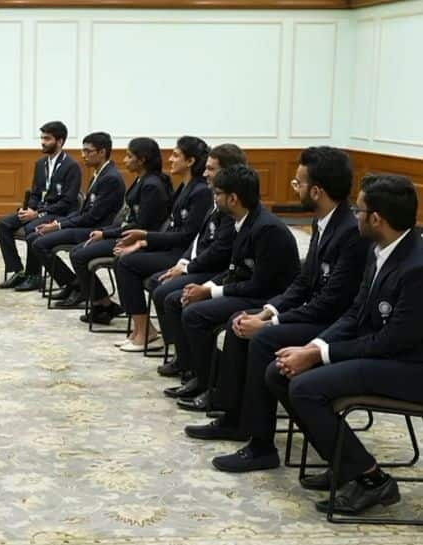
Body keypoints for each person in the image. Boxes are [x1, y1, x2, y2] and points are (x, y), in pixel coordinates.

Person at [221, 175, 423, 516]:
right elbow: (356, 312)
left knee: (304, 387)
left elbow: (393, 340)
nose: (354, 214)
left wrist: (317, 354)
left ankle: (372, 480)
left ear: (377, 219)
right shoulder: (381, 251)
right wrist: (314, 346)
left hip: (410, 367)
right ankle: (345, 463)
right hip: (382, 353)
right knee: (278, 373)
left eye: (360, 209)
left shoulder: (416, 267)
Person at [187, 147, 365, 445]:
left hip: (337, 325)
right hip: (318, 314)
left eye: (298, 183)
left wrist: (271, 324)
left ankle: (260, 443)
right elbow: (302, 283)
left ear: (317, 190)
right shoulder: (324, 223)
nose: (295, 189)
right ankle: (233, 416)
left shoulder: (350, 232)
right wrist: (266, 312)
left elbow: (331, 302)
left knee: (263, 339)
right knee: (240, 321)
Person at [170, 164, 300, 411]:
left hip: (267, 298)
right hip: (250, 290)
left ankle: (215, 387)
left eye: (218, 193)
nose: (214, 197)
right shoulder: (243, 221)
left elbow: (259, 284)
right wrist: (206, 287)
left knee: (195, 314)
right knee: (186, 302)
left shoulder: (266, 229)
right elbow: (234, 270)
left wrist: (210, 292)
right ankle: (206, 378)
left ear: (233, 198)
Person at [153, 144, 246, 378]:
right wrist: (182, 264)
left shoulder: (232, 208)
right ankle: (183, 355)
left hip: (215, 270)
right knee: (160, 285)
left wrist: (186, 269)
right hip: (200, 264)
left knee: (170, 295)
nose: (205, 174)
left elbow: (220, 251)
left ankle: (192, 363)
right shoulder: (216, 201)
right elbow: (197, 239)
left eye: (211, 169)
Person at [112, 136, 213, 351]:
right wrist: (143, 244)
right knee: (124, 259)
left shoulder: (201, 191)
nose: (170, 159)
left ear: (191, 161)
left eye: (176, 155)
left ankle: (146, 331)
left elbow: (187, 235)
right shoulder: (185, 186)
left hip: (182, 254)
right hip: (171, 247)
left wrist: (145, 237)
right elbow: (171, 226)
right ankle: (141, 329)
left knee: (127, 264)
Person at [64, 137, 173, 324]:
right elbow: (127, 218)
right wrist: (106, 231)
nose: (125, 160)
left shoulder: (152, 185)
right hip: (126, 233)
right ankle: (103, 304)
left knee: (79, 255)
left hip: (137, 240)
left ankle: (103, 304)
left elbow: (142, 225)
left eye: (129, 156)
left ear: (143, 159)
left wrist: (106, 234)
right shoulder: (142, 180)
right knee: (77, 251)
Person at [30, 131, 125, 299]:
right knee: (37, 238)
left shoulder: (111, 178)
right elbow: (83, 212)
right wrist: (59, 223)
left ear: (102, 152)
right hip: (86, 224)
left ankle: (76, 286)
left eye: (88, 151)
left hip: (96, 229)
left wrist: (59, 225)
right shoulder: (100, 173)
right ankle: (74, 284)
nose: (83, 155)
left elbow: (92, 217)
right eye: (83, 151)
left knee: (40, 243)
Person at [0, 121, 82, 290]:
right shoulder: (40, 164)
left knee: (32, 228)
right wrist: (30, 209)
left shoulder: (72, 166)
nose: (43, 142)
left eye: (47, 138)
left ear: (60, 141)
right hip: (39, 210)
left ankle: (34, 275)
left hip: (60, 213)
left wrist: (38, 214)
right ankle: (18, 271)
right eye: (42, 138)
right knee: (3, 225)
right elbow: (35, 192)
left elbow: (67, 202)